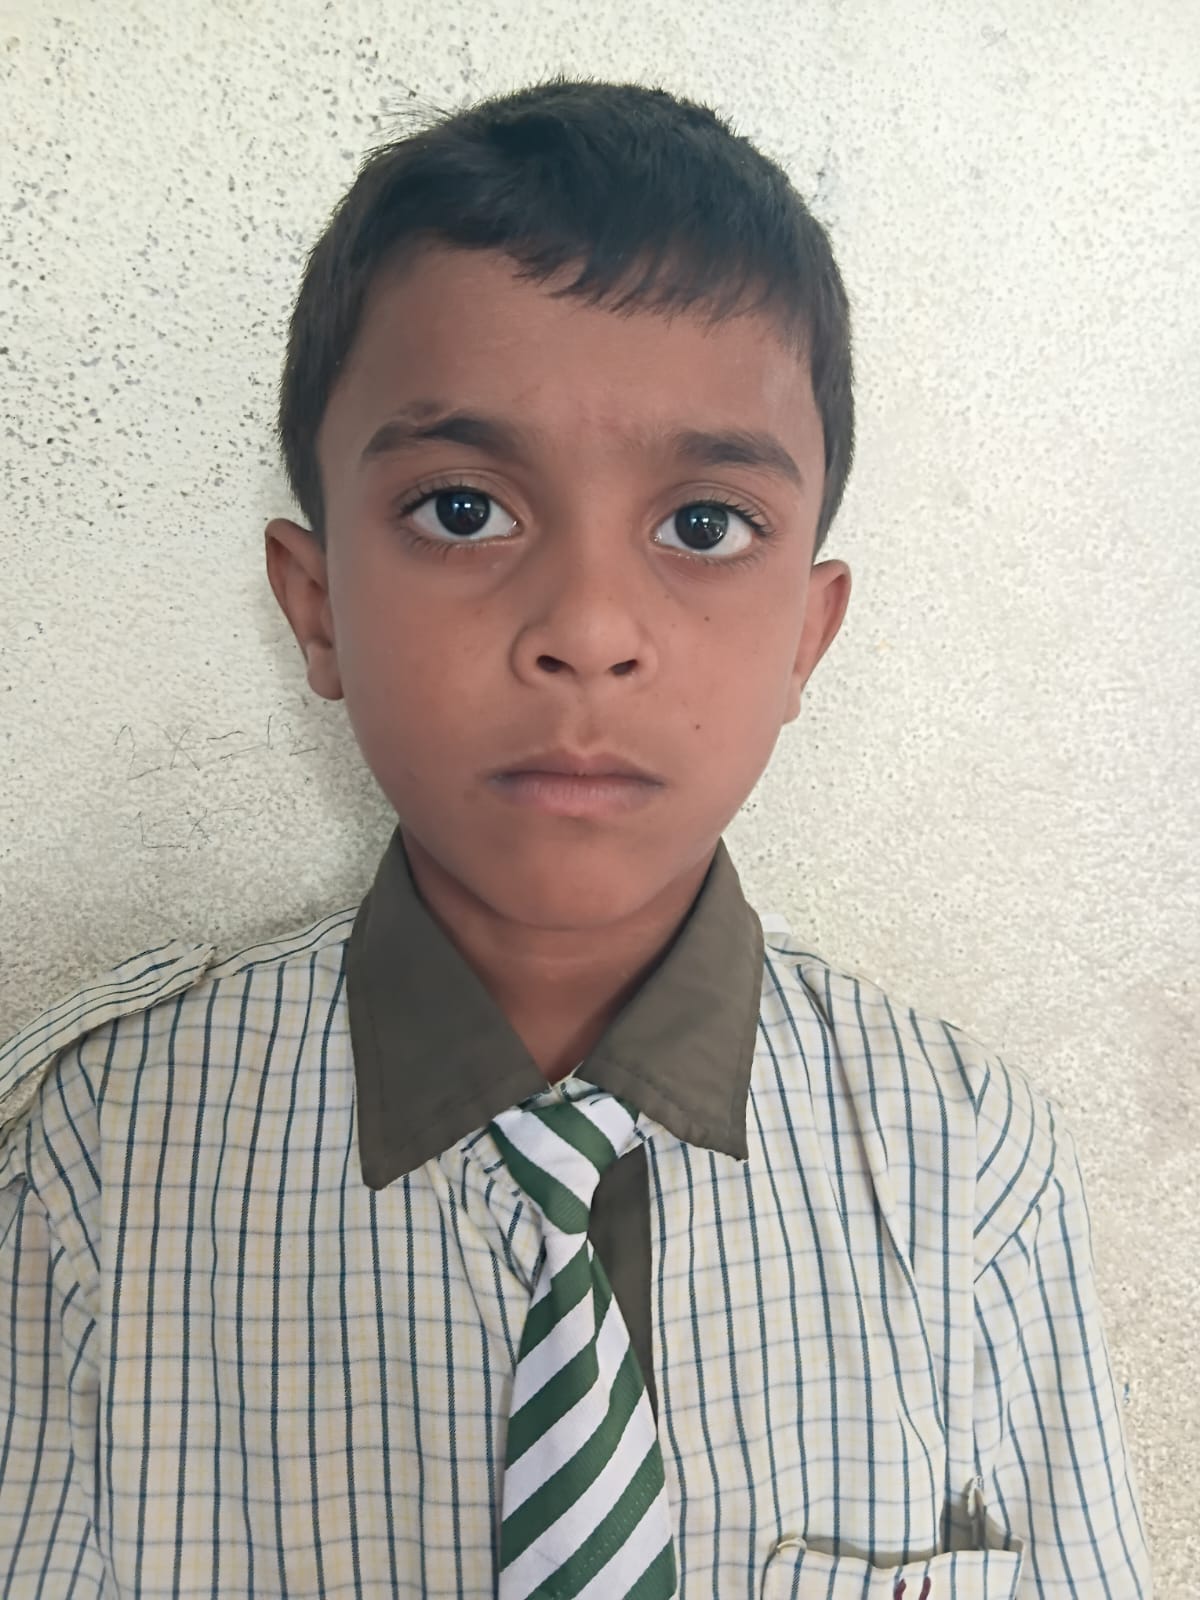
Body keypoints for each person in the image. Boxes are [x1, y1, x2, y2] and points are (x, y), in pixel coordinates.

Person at [0, 77, 1151, 1599]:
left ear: (807, 638)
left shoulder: (967, 1170)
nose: (590, 629)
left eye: (703, 526)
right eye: (462, 509)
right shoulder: (99, 1161)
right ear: (317, 603)